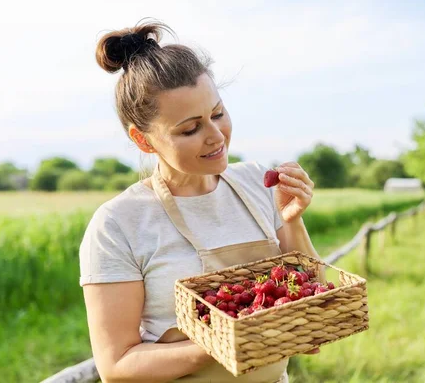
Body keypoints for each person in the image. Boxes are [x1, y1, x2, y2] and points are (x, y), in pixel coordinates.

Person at [79, 19, 323, 383]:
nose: (216, 137)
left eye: (218, 114)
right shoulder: (118, 223)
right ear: (143, 140)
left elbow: (311, 293)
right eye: (190, 129)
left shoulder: (256, 182)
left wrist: (292, 219)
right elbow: (117, 365)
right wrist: (229, 340)